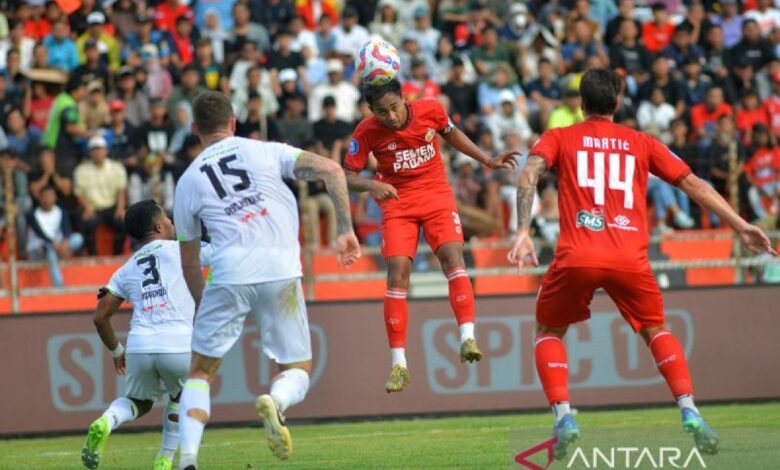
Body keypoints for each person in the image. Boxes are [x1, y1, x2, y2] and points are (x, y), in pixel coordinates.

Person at [507, 68, 777, 461]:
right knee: (656, 330)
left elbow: (529, 173)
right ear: (618, 103)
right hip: (629, 258)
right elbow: (694, 184)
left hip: (577, 255)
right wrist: (740, 225)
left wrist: (522, 230)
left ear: (580, 104)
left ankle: (564, 417)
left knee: (548, 330)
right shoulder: (642, 142)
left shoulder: (560, 136)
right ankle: (689, 409)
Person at [173, 91, 360, 469]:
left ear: (195, 129)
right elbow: (333, 170)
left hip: (229, 271)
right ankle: (276, 402)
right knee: (298, 369)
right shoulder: (266, 150)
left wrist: (202, 302)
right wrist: (344, 229)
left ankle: (188, 458)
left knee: (200, 372)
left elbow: (189, 262)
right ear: (234, 122)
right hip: (281, 269)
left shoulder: (187, 182)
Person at [343, 79, 518, 393]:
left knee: (452, 257)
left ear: (405, 99)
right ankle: (399, 363)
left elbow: (453, 135)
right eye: (383, 112)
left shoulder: (431, 110)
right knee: (397, 272)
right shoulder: (366, 131)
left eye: (395, 107)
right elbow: (346, 175)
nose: (391, 117)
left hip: (436, 194)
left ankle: (467, 337)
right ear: (372, 111)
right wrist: (372, 185)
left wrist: (487, 160)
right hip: (397, 201)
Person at [82, 200, 211, 470]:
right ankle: (165, 458)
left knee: (138, 402)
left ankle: (107, 420)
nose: (172, 222)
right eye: (167, 217)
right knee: (182, 398)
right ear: (158, 225)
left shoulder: (125, 269)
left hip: (140, 345)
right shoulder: (183, 251)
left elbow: (100, 317)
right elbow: (225, 255)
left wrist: (118, 353)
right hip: (178, 343)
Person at [74, 134, 128, 255]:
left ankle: (117, 254)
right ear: (89, 152)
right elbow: (79, 193)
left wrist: (120, 208)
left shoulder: (117, 167)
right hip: (92, 208)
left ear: (106, 151)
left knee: (123, 221)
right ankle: (93, 256)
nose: (97, 152)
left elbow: (121, 190)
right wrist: (87, 208)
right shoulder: (81, 170)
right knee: (86, 222)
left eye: (100, 149)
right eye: (94, 149)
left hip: (112, 206)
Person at [26, 185, 83, 287]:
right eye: (45, 196)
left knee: (78, 238)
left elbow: (66, 229)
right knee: (50, 251)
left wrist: (65, 243)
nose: (48, 199)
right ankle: (59, 285)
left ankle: (61, 253)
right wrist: (55, 245)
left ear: (55, 198)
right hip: (39, 249)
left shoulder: (61, 211)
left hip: (58, 246)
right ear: (40, 198)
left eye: (50, 196)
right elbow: (41, 234)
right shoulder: (33, 214)